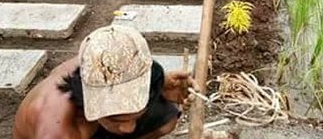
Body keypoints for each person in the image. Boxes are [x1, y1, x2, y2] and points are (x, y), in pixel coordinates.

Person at [13, 25, 197, 139]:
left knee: (167, 115)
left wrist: (161, 86)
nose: (128, 128)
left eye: (134, 116)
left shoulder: (108, 63)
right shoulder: (58, 129)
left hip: (93, 127)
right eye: (115, 119)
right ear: (87, 100)